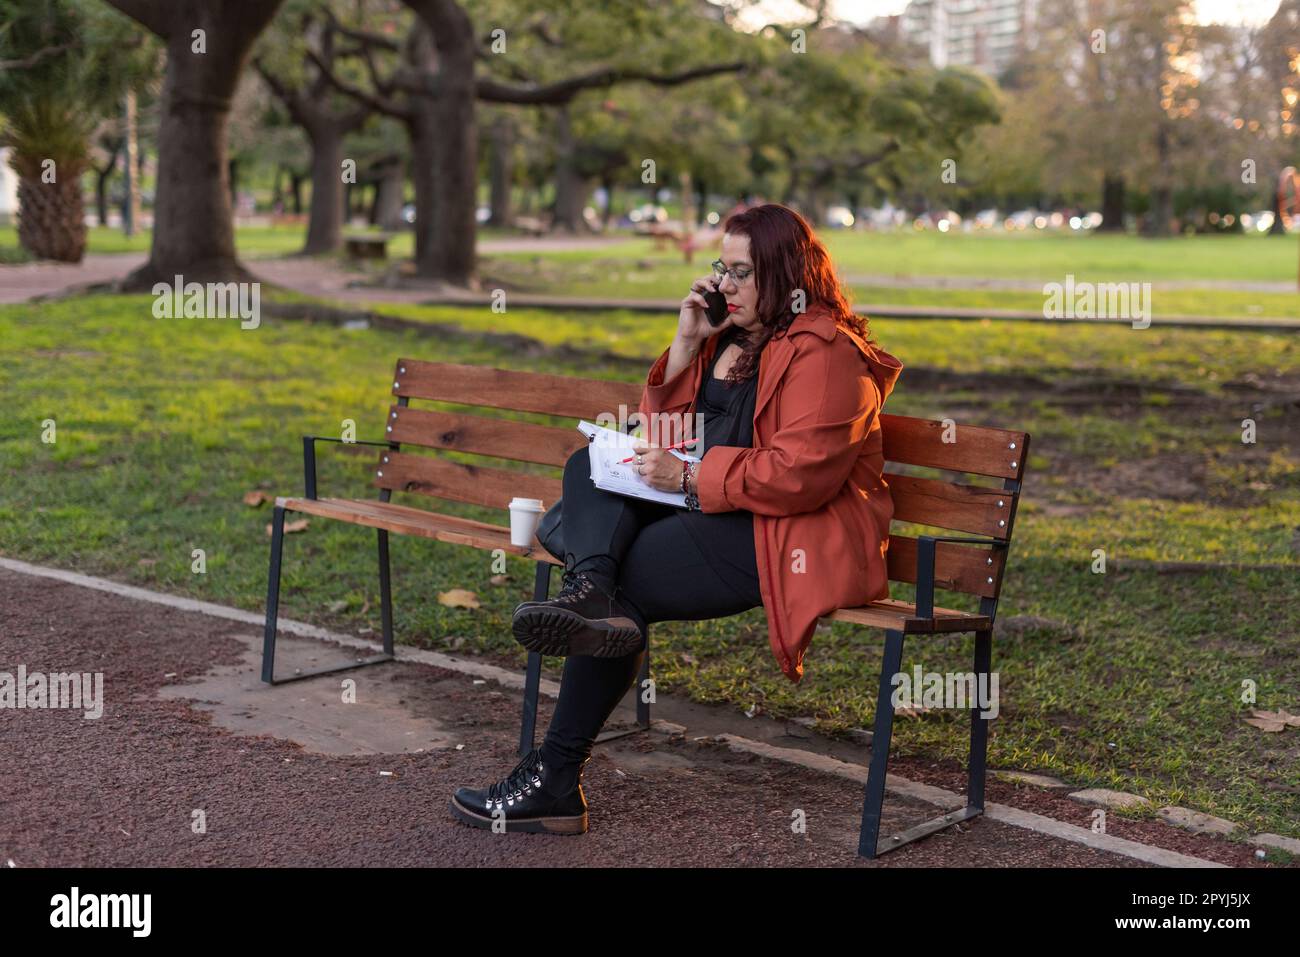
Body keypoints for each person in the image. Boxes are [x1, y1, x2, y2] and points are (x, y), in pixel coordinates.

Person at [449, 203, 903, 836]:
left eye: (743, 271)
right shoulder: (731, 341)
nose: (726, 284)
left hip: (781, 537)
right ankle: (592, 593)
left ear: (786, 273)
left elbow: (799, 476)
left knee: (623, 588)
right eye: (722, 267)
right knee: (589, 466)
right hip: (714, 506)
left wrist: (688, 477)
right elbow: (663, 428)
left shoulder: (827, 353)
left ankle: (555, 770)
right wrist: (688, 341)